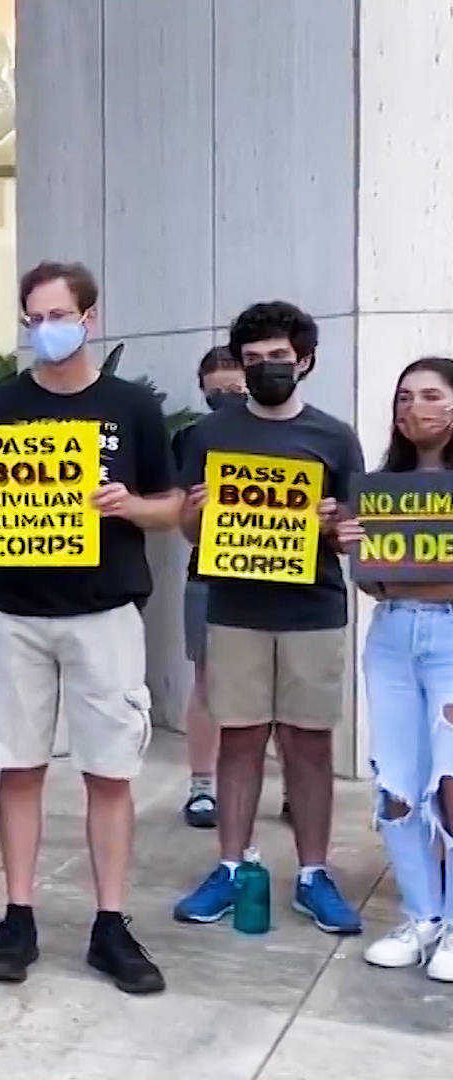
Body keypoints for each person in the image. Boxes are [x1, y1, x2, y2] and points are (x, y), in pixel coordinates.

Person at [0, 261, 178, 995]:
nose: (44, 329)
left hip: (104, 611)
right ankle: (17, 915)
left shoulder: (132, 406)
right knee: (16, 766)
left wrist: (130, 506)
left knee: (109, 771)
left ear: (89, 317)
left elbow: (174, 505)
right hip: (12, 611)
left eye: (57, 314)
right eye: (32, 317)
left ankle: (110, 923)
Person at [171, 302, 365, 936]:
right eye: (252, 360)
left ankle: (314, 873)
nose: (266, 369)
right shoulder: (209, 436)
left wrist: (337, 526)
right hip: (235, 608)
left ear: (304, 361)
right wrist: (195, 513)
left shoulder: (335, 437)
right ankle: (230, 865)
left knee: (309, 744)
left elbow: (350, 533)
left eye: (278, 358)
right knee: (240, 740)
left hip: (313, 607)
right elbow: (189, 527)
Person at [355, 356, 453, 978]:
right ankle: (423, 916)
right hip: (391, 634)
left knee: (450, 783)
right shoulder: (382, 488)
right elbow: (377, 583)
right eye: (403, 398)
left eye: (430, 396)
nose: (414, 408)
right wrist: (357, 548)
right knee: (395, 783)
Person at [175, 347, 248, 829]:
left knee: (283, 692)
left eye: (235, 389)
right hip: (209, 575)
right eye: (216, 390)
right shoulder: (190, 439)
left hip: (279, 577)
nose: (225, 398)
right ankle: (202, 786)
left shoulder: (282, 433)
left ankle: (288, 792)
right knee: (206, 681)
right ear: (202, 389)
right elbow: (175, 512)